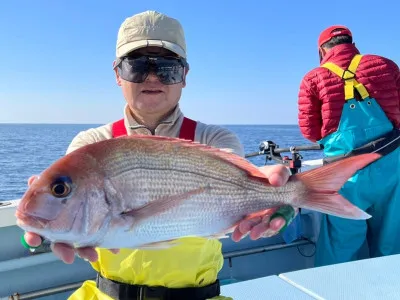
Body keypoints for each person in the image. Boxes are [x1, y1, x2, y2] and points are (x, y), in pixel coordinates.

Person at [22, 11, 296, 300]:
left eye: (167, 67)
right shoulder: (91, 144)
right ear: (118, 74)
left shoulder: (215, 140)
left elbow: (239, 182)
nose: (152, 76)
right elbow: (69, 207)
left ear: (184, 76)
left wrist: (280, 197)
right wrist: (42, 232)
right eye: (137, 65)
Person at [297, 25, 400, 267]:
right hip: (391, 167)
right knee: (392, 240)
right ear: (351, 43)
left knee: (341, 246)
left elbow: (310, 131)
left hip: (343, 175)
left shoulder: (314, 78)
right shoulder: (386, 65)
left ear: (322, 50)